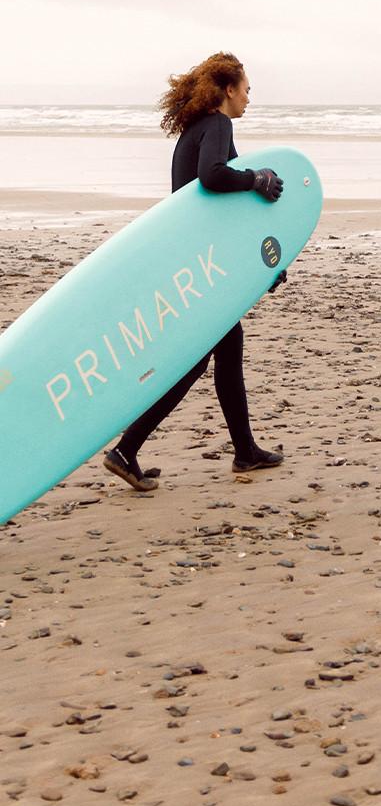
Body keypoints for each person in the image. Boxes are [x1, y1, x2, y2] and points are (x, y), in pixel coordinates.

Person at [104, 52, 286, 492]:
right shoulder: (218, 125)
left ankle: (244, 451)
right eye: (246, 89)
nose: (249, 98)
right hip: (197, 264)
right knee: (195, 358)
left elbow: (221, 212)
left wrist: (261, 265)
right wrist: (256, 179)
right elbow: (212, 178)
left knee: (228, 344)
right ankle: (127, 450)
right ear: (228, 89)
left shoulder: (198, 128)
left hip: (192, 255)